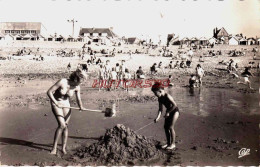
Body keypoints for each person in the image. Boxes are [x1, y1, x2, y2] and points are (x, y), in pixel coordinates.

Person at [47, 69, 87, 155]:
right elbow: (49, 92)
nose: (80, 84)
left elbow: (78, 99)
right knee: (61, 125)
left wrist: (81, 106)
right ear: (75, 79)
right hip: (56, 103)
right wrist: (56, 102)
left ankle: (63, 148)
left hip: (66, 104)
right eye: (80, 81)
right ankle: (54, 148)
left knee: (66, 126)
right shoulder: (62, 81)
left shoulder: (77, 87)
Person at [152, 82, 179, 150]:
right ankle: (168, 143)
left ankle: (173, 144)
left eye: (155, 93)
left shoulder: (167, 96)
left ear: (160, 91)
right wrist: (157, 117)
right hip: (168, 112)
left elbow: (175, 105)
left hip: (175, 111)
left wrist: (168, 112)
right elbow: (160, 109)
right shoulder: (160, 98)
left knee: (170, 127)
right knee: (165, 127)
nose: (155, 95)